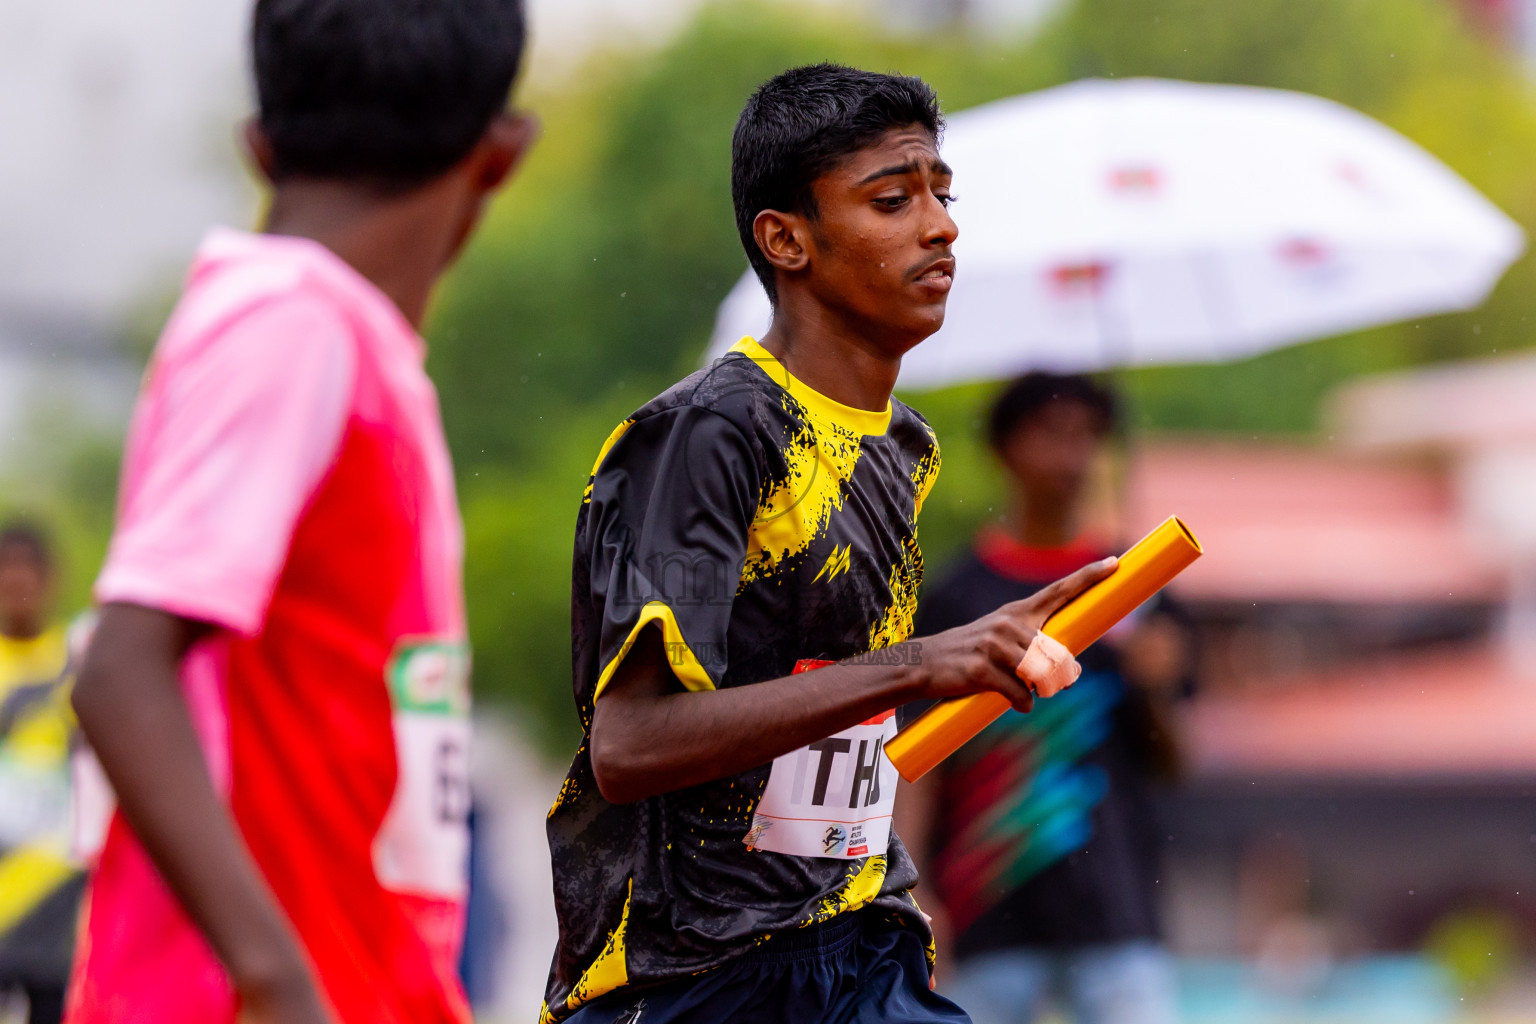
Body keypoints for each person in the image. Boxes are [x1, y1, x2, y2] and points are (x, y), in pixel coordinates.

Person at [541, 63, 1118, 1024]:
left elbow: (840, 715)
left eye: (943, 193)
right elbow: (630, 746)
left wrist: (965, 678)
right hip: (697, 977)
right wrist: (917, 664)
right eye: (893, 200)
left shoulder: (901, 447)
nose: (941, 227)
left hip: (859, 945)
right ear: (787, 239)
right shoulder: (709, 436)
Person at [65, 1, 536, 1021]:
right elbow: (121, 667)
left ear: (260, 145)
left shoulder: (336, 340)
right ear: (501, 155)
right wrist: (276, 982)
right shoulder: (290, 327)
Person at [900, 373, 1191, 1024]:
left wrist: (1158, 687)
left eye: (1088, 437)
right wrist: (911, 890)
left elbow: (1175, 761)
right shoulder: (954, 598)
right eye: (1052, 435)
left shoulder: (1136, 589)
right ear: (1004, 450)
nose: (1072, 457)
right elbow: (920, 759)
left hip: (1119, 910)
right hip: (985, 907)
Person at [0, 522, 80, 1024]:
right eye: (7, 567)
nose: (17, 580)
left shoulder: (81, 668)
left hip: (61, 904)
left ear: (51, 579)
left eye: (29, 568)